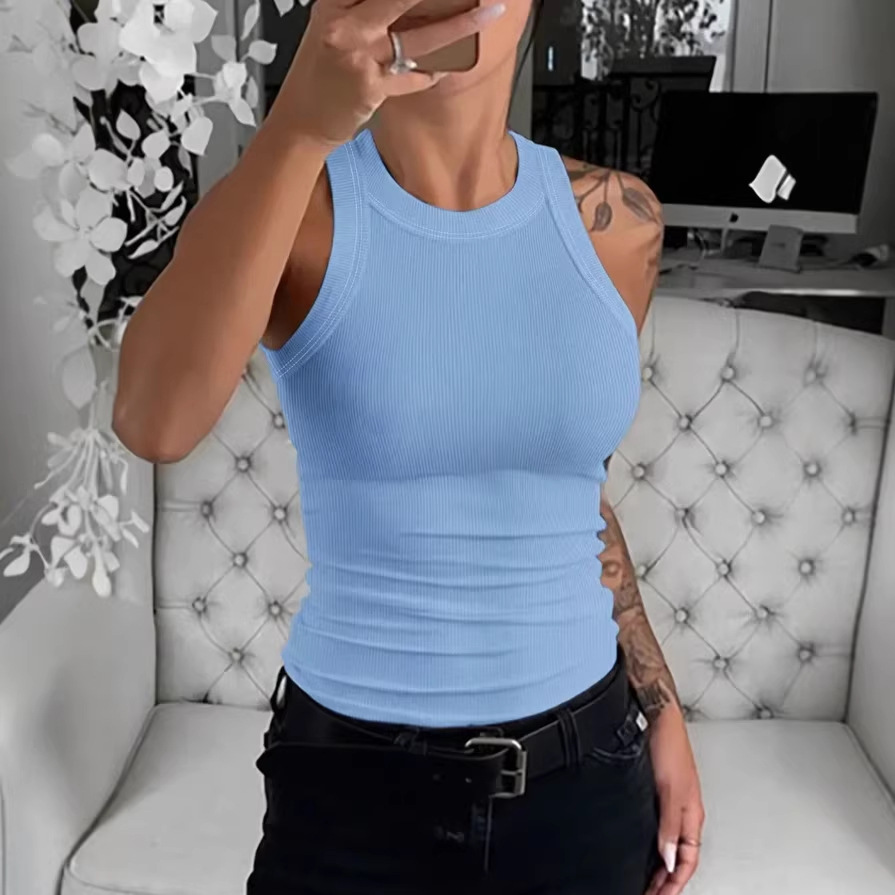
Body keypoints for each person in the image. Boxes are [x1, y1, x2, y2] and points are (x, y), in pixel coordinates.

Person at [112, 1, 705, 892]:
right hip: (352, 788)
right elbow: (152, 420)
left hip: (589, 773)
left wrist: (662, 709)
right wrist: (298, 124)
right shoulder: (297, 205)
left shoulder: (617, 224)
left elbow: (573, 491)